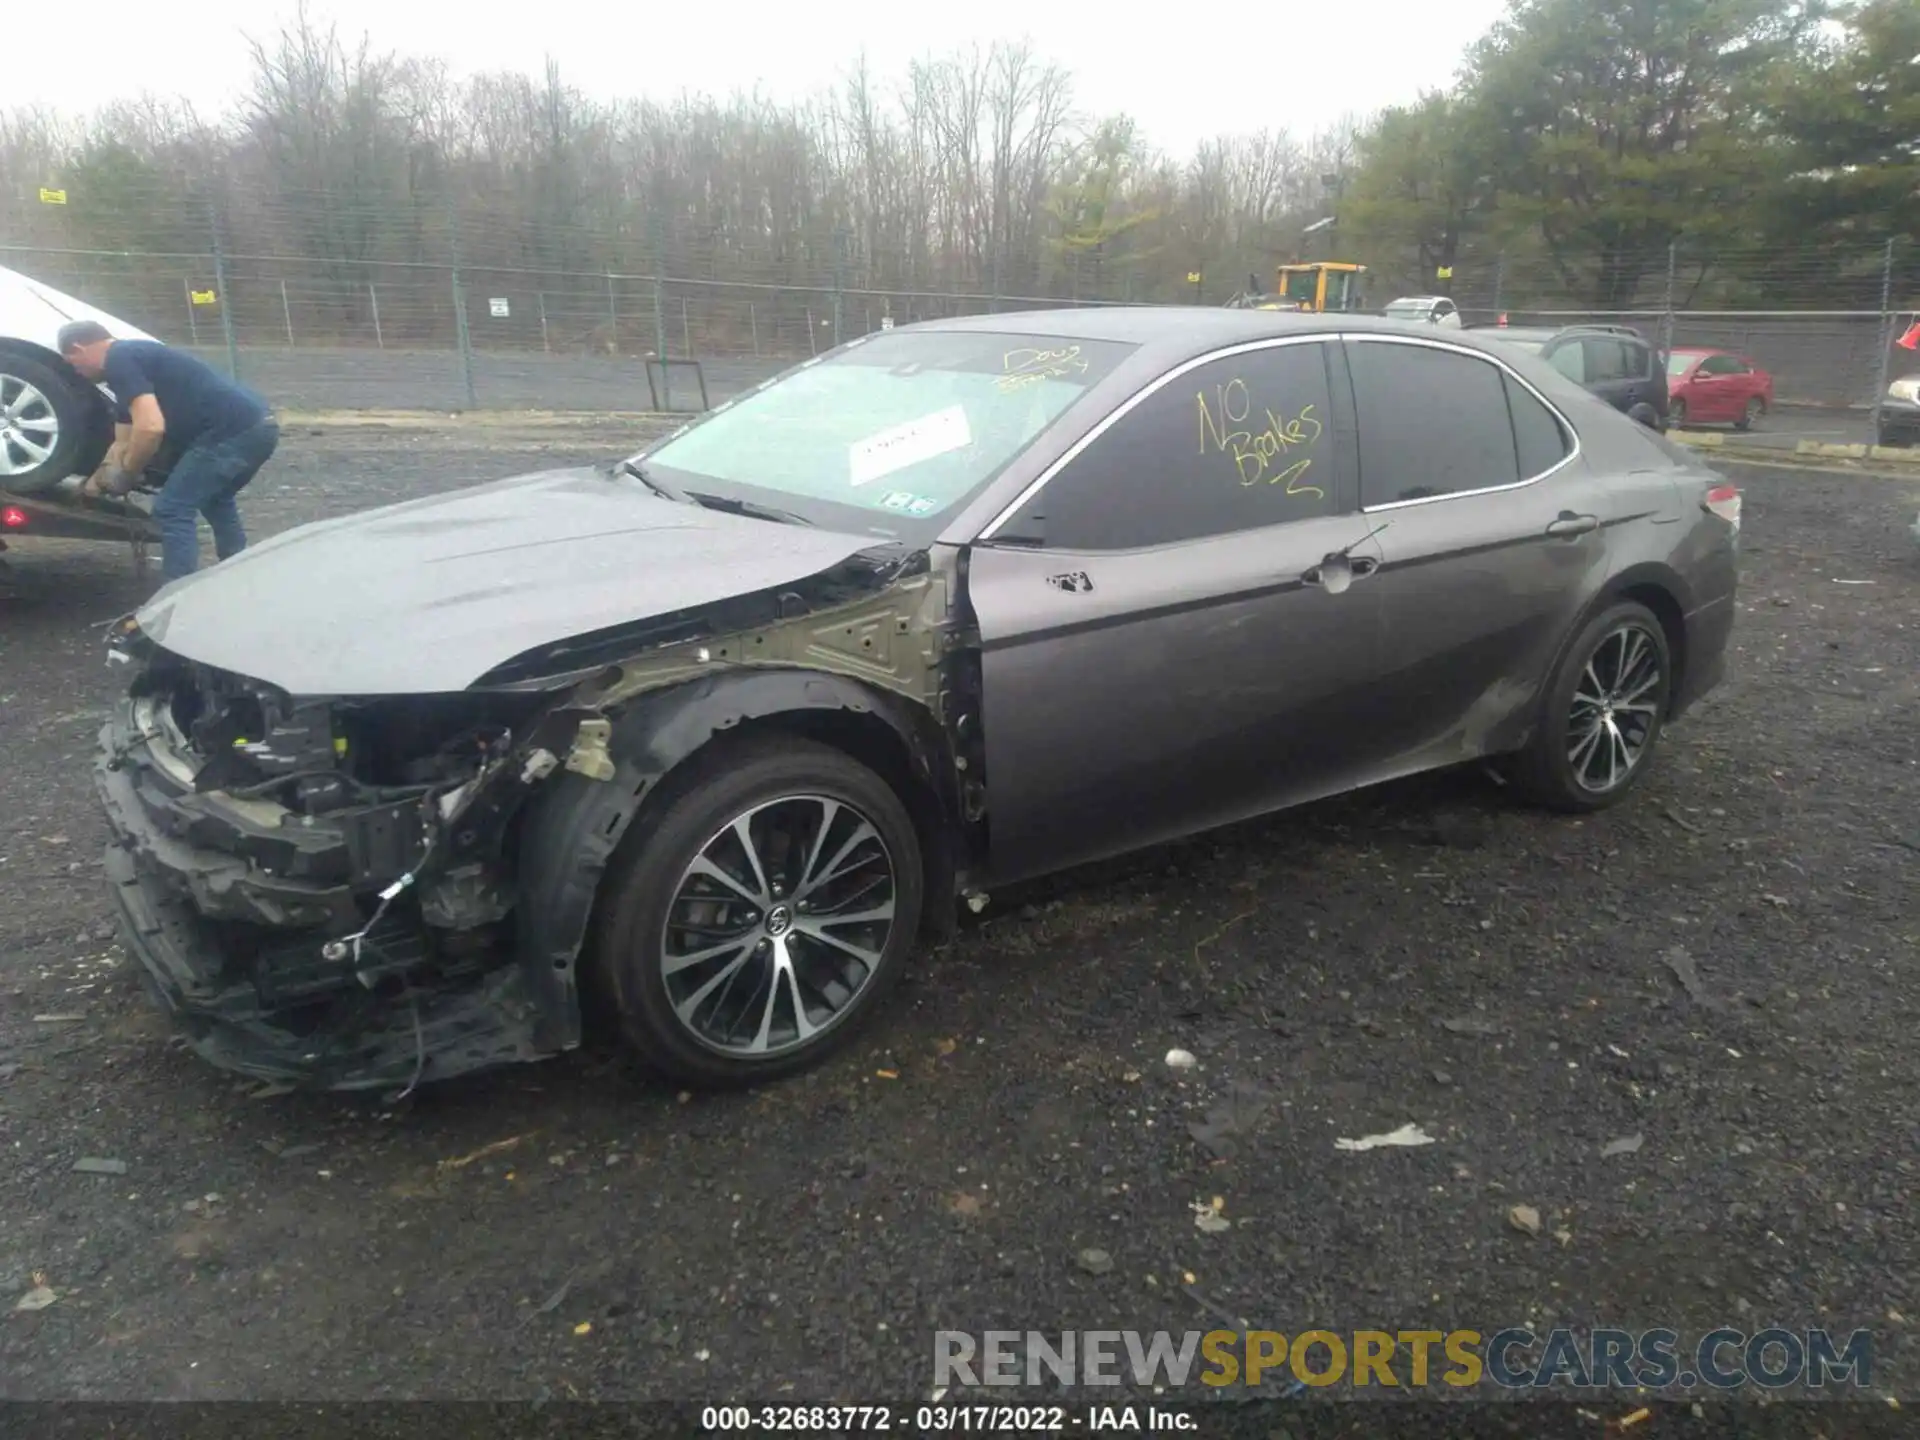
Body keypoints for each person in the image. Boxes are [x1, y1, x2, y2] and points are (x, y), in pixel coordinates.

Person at [56, 320, 278, 583]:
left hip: (232, 434)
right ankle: (238, 574)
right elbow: (122, 441)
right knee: (215, 500)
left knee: (172, 509)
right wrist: (95, 481)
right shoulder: (133, 361)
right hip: (260, 427)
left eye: (73, 363)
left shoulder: (119, 359)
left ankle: (177, 593)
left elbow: (150, 428)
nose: (77, 372)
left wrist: (128, 472)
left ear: (80, 347)